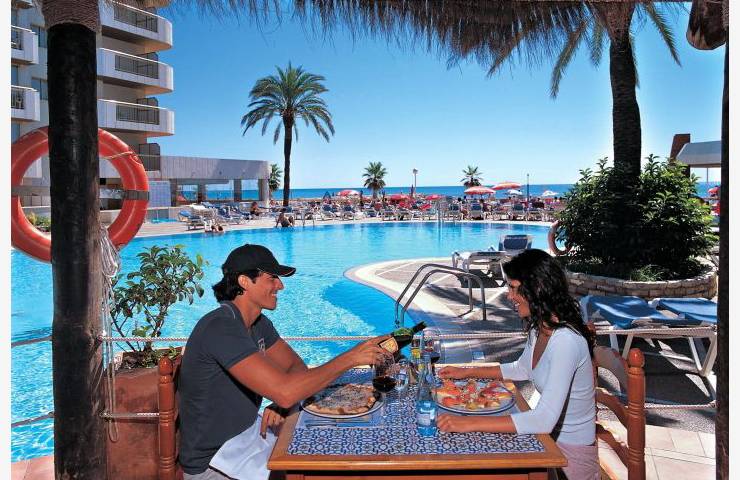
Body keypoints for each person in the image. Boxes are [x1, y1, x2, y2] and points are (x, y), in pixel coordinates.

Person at [178, 244, 391, 480]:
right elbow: (287, 392)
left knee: (331, 451)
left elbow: (296, 368)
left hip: (247, 443)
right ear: (244, 281)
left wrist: (280, 403)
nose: (280, 285)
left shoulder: (258, 324)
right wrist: (351, 358)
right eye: (272, 278)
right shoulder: (221, 327)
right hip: (214, 464)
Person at [437, 249, 597, 480]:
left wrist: (468, 423)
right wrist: (466, 371)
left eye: (513, 287)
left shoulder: (566, 341)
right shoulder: (540, 327)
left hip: (569, 458)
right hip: (548, 441)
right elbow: (522, 368)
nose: (509, 295)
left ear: (537, 288)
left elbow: (543, 419)